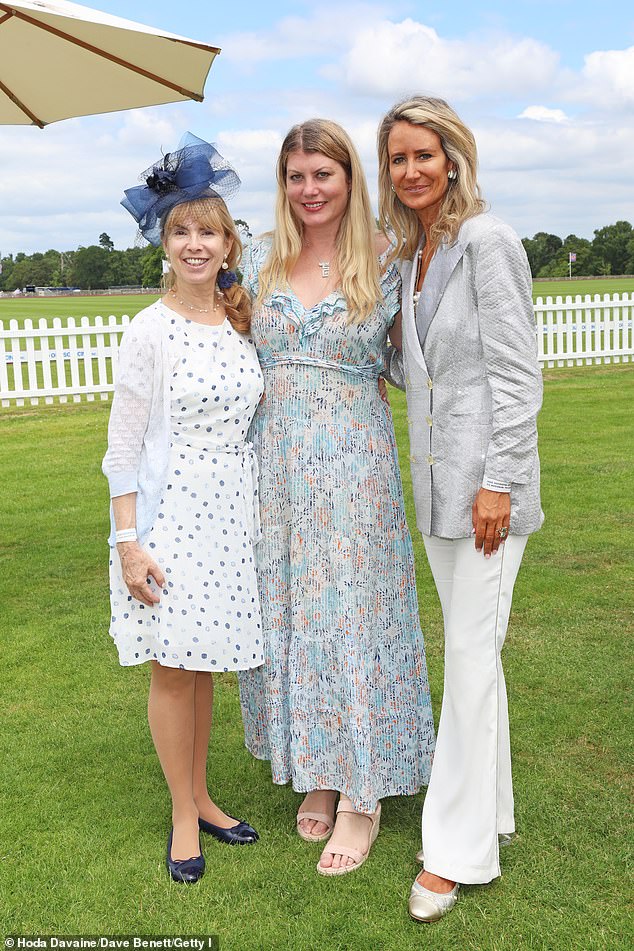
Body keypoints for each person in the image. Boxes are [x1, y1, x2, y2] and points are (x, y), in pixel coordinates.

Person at [237, 118, 435, 876]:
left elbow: (415, 360)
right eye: (296, 176)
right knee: (294, 614)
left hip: (356, 469)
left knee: (357, 617)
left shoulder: (387, 257)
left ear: (349, 178)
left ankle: (363, 790)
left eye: (324, 174)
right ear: (283, 184)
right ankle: (318, 765)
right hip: (275, 469)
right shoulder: (257, 258)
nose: (310, 189)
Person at [376, 97, 543, 920]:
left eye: (423, 156)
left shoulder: (487, 239)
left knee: (470, 661)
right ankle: (494, 809)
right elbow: (416, 376)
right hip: (437, 492)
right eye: (398, 159)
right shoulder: (412, 256)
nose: (410, 171)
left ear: (453, 159)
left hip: (486, 495)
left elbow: (518, 374)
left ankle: (452, 851)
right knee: (475, 656)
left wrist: (500, 481)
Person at [103, 133, 264, 884]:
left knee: (203, 667)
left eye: (208, 230)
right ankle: (179, 814)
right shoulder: (149, 329)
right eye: (180, 231)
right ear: (163, 242)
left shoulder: (239, 319)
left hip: (231, 517)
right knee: (172, 667)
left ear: (229, 240)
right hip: (171, 518)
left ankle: (203, 794)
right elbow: (123, 447)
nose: (195, 244)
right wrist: (129, 542)